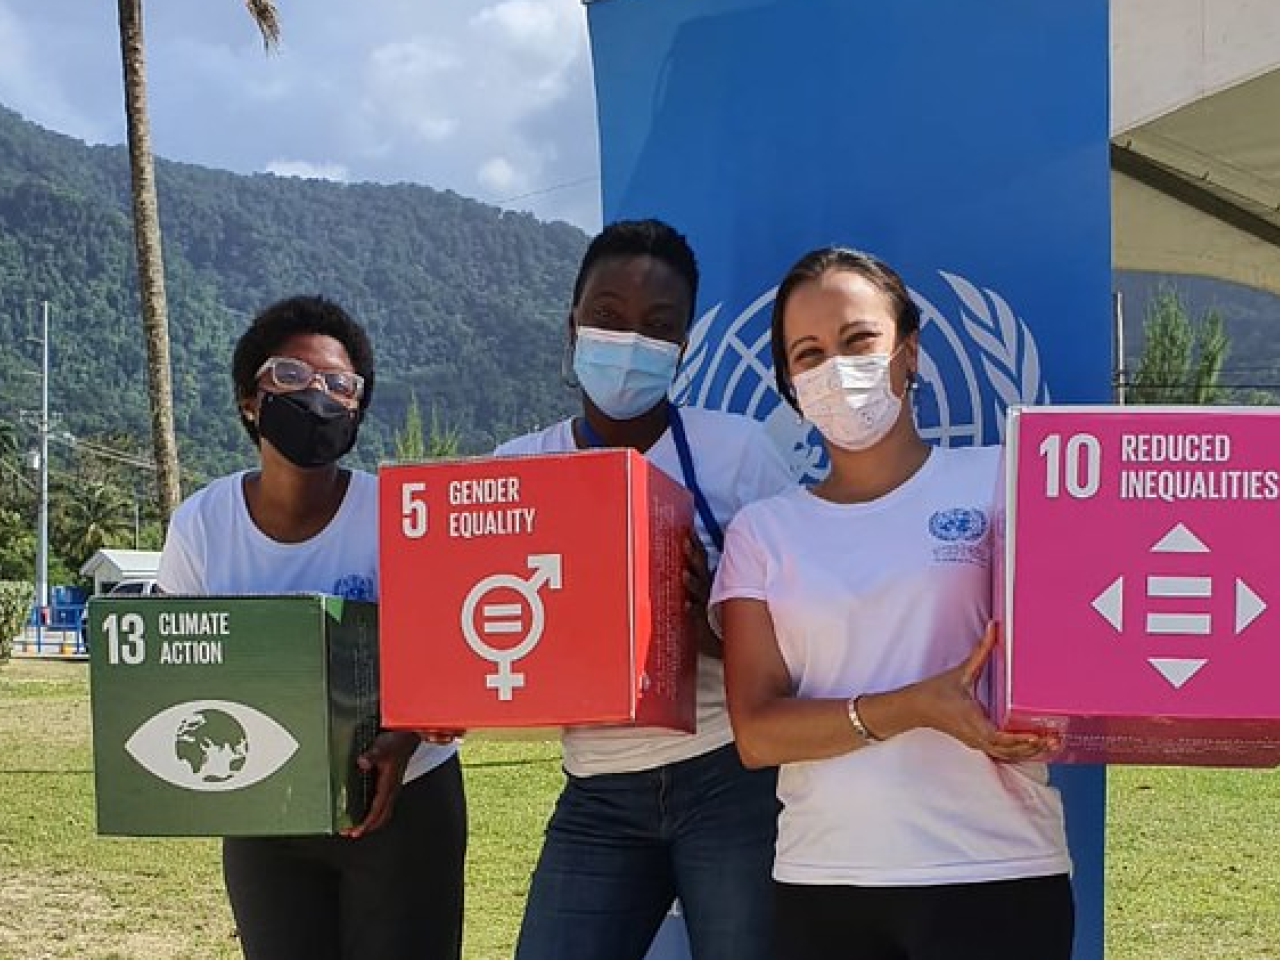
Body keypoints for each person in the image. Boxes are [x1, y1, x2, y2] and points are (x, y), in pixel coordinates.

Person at [710, 247, 1074, 960]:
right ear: (790, 385)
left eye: (858, 341)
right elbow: (757, 733)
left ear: (908, 351)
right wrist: (914, 706)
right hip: (825, 885)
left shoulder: (1006, 480)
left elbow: (1078, 653)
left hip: (998, 871)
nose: (835, 371)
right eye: (808, 354)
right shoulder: (764, 532)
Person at [496, 219, 794, 960]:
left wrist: (707, 629)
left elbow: (805, 644)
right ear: (572, 324)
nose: (629, 341)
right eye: (608, 317)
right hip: (597, 789)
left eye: (657, 327)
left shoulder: (740, 455)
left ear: (684, 345)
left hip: (731, 780)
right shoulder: (515, 471)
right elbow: (480, 638)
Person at [156, 295, 466, 960]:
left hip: (402, 804)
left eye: (339, 385)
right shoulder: (201, 527)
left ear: (356, 412)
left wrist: (406, 739)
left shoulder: (398, 517)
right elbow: (167, 669)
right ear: (249, 399)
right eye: (292, 377)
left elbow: (452, 660)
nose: (318, 395)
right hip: (262, 805)